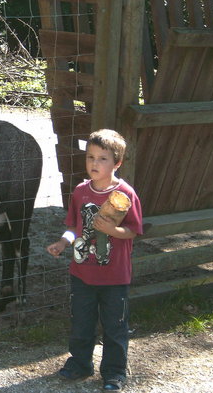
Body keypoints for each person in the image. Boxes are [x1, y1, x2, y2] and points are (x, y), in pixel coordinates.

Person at [46, 129, 143, 391]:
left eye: (102, 158)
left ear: (117, 163)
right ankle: (80, 363)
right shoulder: (80, 192)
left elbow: (133, 230)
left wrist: (112, 231)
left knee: (115, 327)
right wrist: (63, 242)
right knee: (81, 323)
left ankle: (113, 373)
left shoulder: (125, 194)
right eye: (90, 157)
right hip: (82, 273)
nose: (94, 164)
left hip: (115, 277)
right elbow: (73, 226)